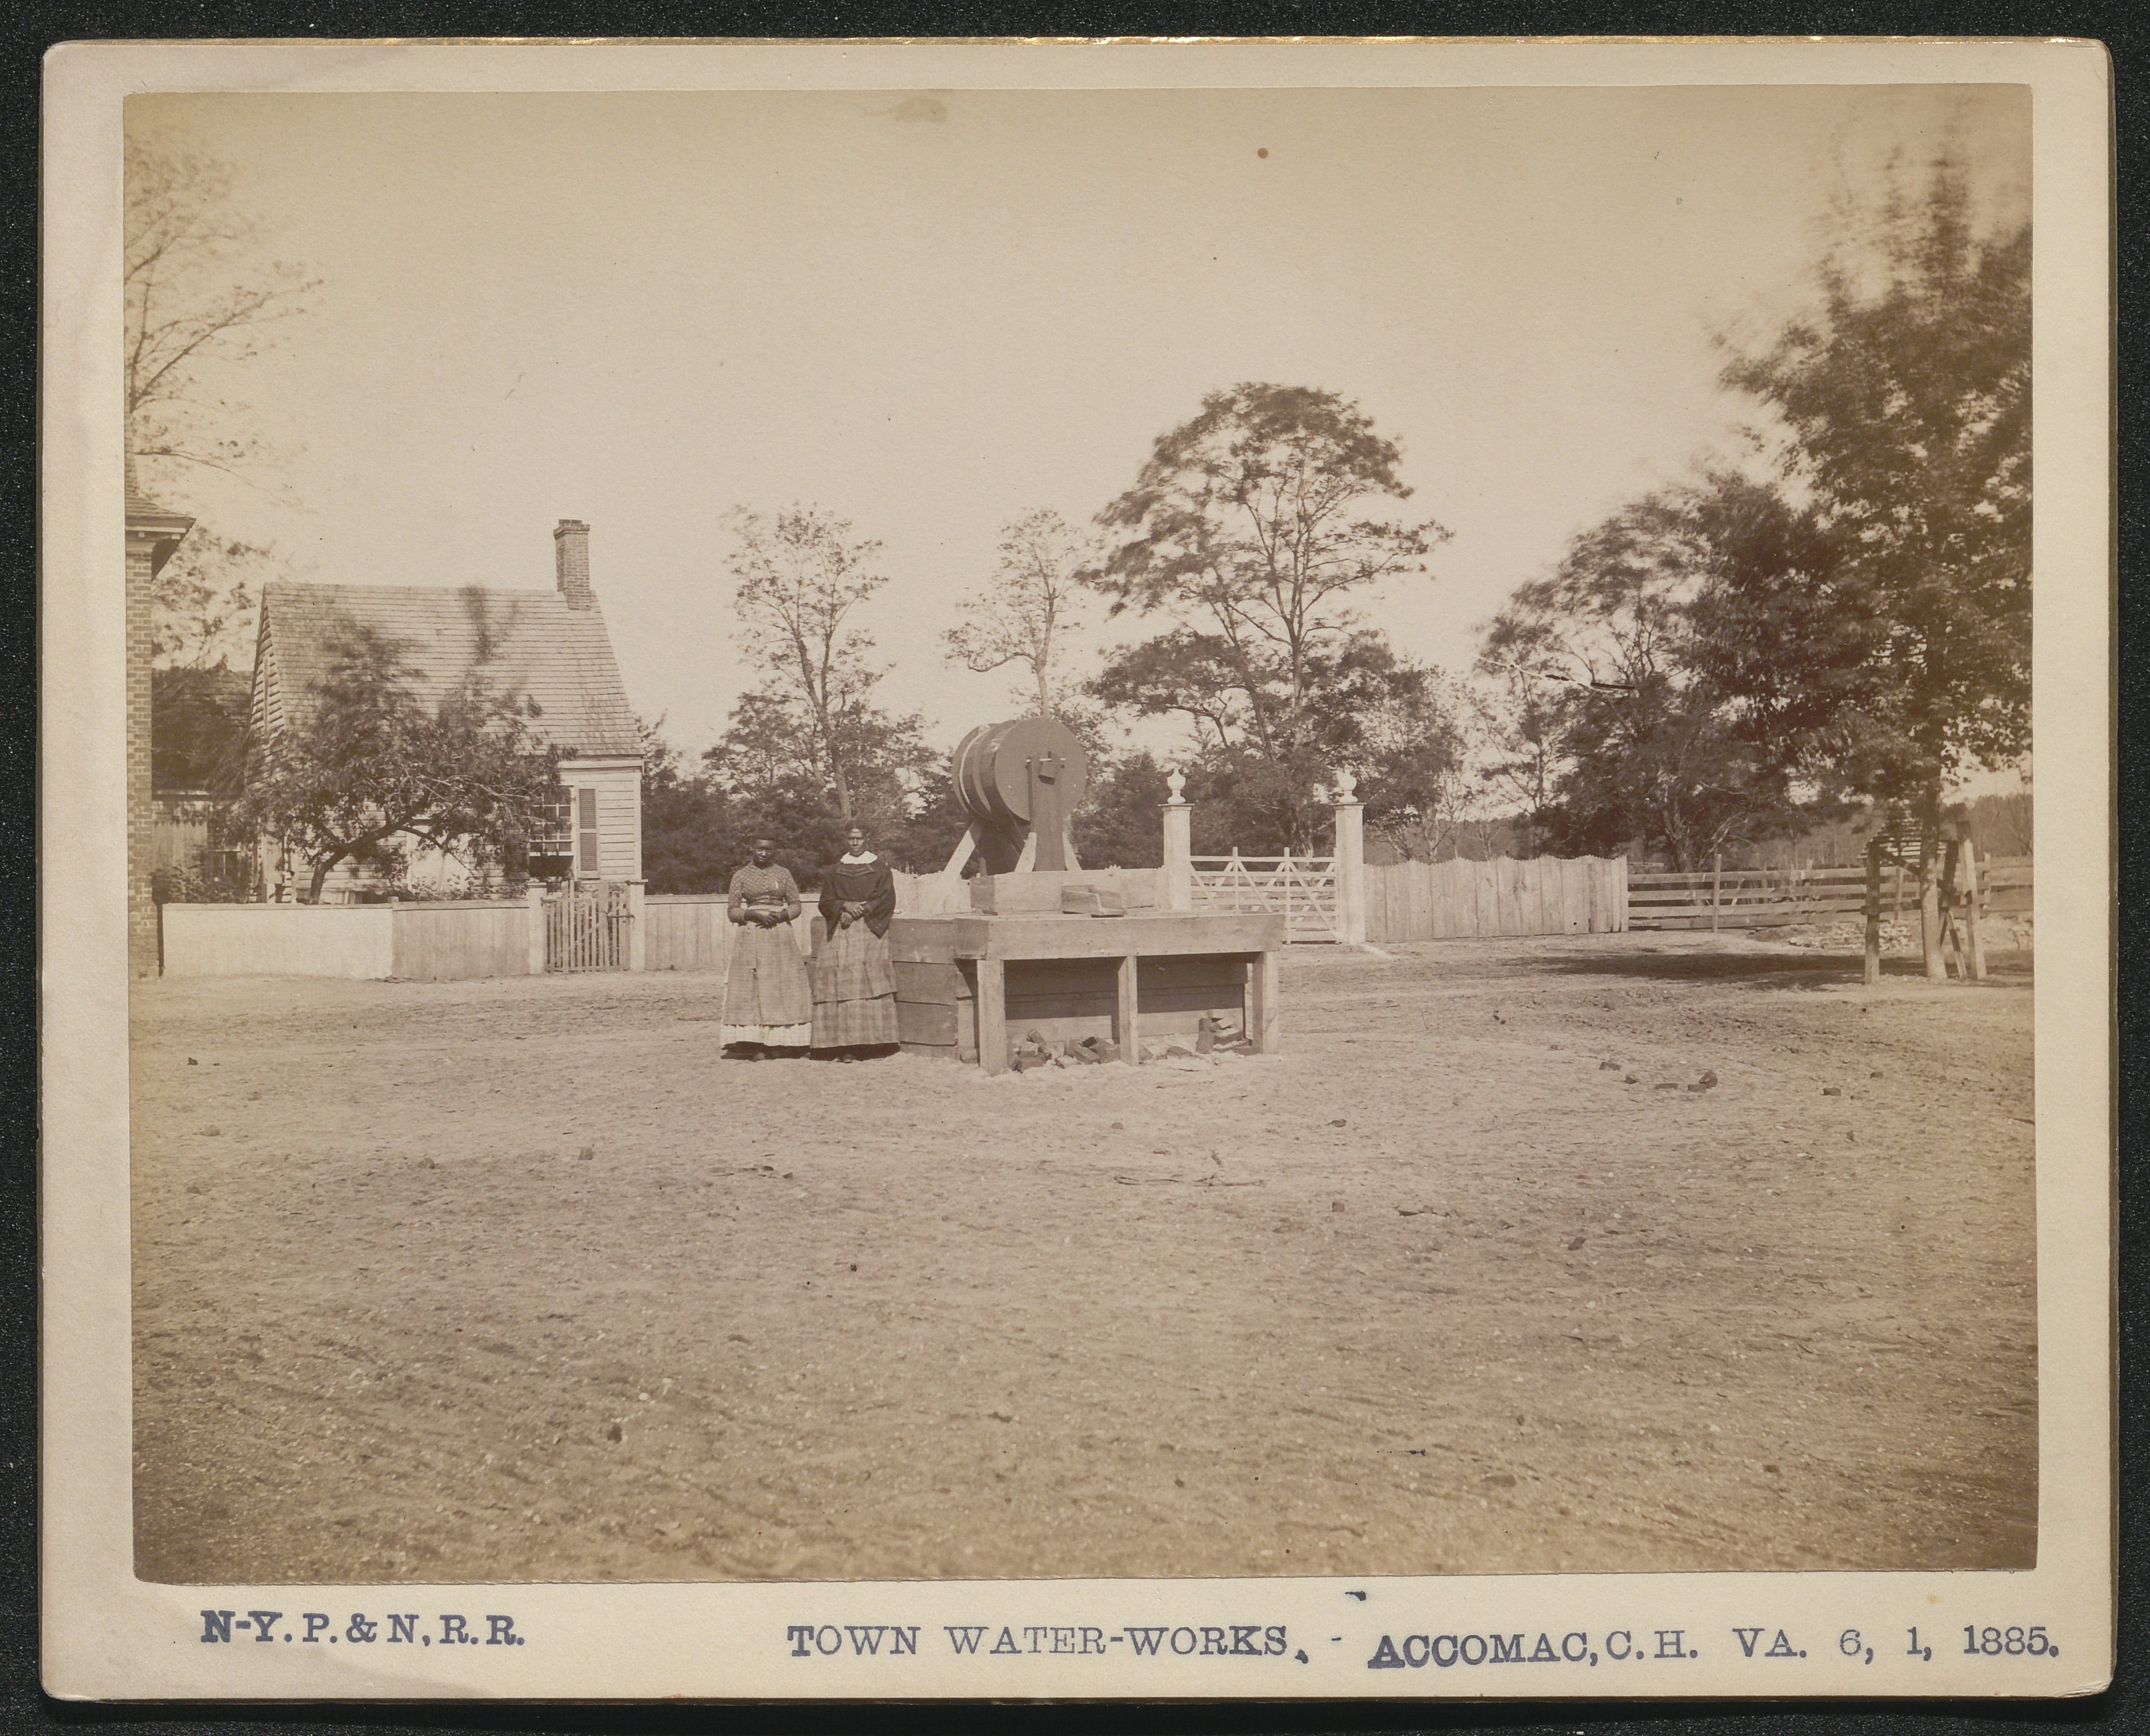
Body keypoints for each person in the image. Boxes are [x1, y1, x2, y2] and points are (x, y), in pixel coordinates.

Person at [812, 823, 899, 1060]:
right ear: (845, 839)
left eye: (859, 839)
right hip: (841, 931)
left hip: (870, 932)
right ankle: (842, 1046)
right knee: (840, 985)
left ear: (867, 839)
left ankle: (870, 1045)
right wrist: (843, 907)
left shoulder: (880, 868)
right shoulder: (834, 870)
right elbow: (825, 903)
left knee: (867, 984)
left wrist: (858, 911)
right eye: (851, 839)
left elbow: (886, 899)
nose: (855, 843)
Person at [721, 837, 813, 1058]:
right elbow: (732, 911)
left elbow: (796, 905)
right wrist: (751, 914)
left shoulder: (784, 873)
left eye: (769, 850)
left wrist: (782, 915)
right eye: (760, 849)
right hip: (751, 932)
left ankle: (781, 1044)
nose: (764, 854)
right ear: (752, 849)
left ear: (775, 852)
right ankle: (753, 1044)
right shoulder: (741, 875)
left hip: (779, 933)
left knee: (782, 982)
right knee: (752, 985)